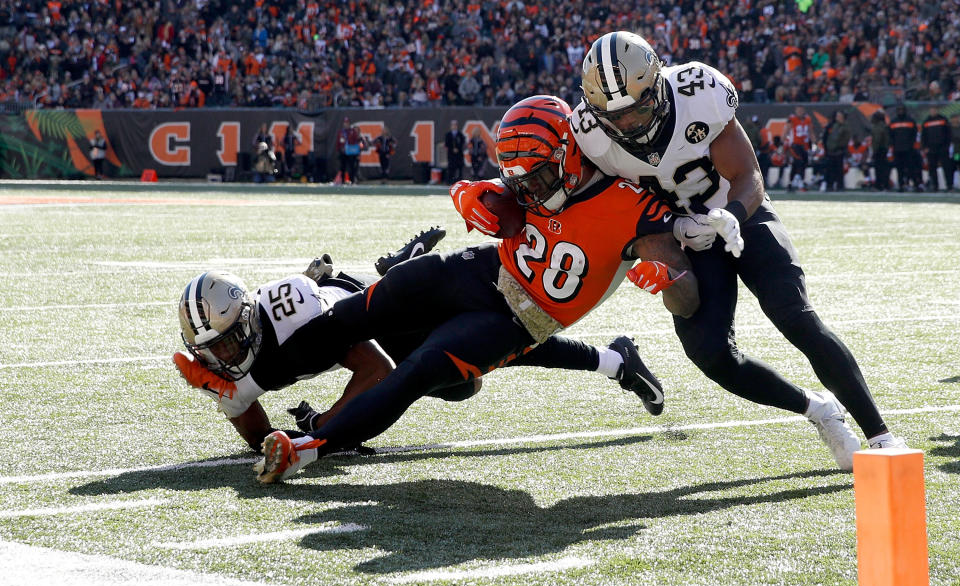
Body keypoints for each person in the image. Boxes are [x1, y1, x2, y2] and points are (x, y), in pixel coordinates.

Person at [254, 95, 714, 483]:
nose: (528, 191)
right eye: (520, 181)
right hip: (483, 271)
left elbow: (688, 297)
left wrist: (669, 280)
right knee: (375, 300)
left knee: (419, 369)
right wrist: (469, 193)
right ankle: (254, 374)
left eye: (536, 178)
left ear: (569, 155)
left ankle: (310, 449)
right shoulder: (532, 171)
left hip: (516, 320)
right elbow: (493, 187)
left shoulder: (629, 208)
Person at [565, 31, 904, 469]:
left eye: (639, 108)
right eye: (617, 117)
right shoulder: (588, 133)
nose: (629, 124)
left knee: (793, 314)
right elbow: (606, 207)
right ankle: (817, 409)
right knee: (710, 353)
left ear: (658, 84)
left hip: (739, 215)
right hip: (684, 237)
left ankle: (881, 436)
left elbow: (749, 174)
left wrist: (732, 215)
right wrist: (658, 241)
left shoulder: (696, 90)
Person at [175, 224, 667, 454]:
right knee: (490, 356)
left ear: (248, 321)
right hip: (360, 313)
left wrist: (320, 430)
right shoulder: (242, 352)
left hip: (385, 320)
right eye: (212, 350)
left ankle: (616, 360)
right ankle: (616, 362)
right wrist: (250, 420)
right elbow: (253, 422)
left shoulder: (294, 329)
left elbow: (375, 369)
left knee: (468, 378)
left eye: (227, 342)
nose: (223, 357)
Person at [890, 104, 921, 192]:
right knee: (899, 169)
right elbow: (891, 135)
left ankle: (915, 184)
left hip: (909, 149)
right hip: (897, 149)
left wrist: (911, 145)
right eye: (899, 110)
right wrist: (894, 145)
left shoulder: (910, 121)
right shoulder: (893, 122)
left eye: (902, 110)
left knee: (911, 168)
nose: (900, 111)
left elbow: (914, 134)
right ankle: (901, 185)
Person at [921, 106, 951, 192]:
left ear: (937, 111)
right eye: (931, 110)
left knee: (947, 167)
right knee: (932, 168)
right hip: (931, 149)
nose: (933, 112)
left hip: (943, 148)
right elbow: (924, 136)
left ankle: (949, 185)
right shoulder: (926, 122)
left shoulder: (943, 120)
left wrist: (947, 146)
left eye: (934, 110)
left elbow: (948, 134)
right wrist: (925, 147)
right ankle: (935, 186)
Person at [785, 105, 812, 191]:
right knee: (799, 162)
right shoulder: (792, 119)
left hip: (804, 146)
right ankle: (798, 183)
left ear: (804, 111)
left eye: (801, 110)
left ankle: (792, 183)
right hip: (795, 145)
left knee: (802, 163)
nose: (800, 112)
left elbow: (810, 132)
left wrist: (815, 142)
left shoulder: (807, 119)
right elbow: (786, 131)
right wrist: (782, 142)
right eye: (798, 110)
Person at [823, 110, 850, 192]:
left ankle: (840, 186)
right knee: (830, 169)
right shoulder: (832, 126)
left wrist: (841, 147)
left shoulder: (845, 126)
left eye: (839, 116)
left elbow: (845, 138)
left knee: (839, 170)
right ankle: (829, 185)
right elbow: (827, 137)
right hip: (830, 150)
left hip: (839, 150)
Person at [869, 110, 891, 191]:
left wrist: (874, 151)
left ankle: (879, 185)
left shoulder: (877, 127)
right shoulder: (884, 126)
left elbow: (877, 140)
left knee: (879, 169)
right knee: (884, 168)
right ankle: (885, 185)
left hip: (879, 150)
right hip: (883, 149)